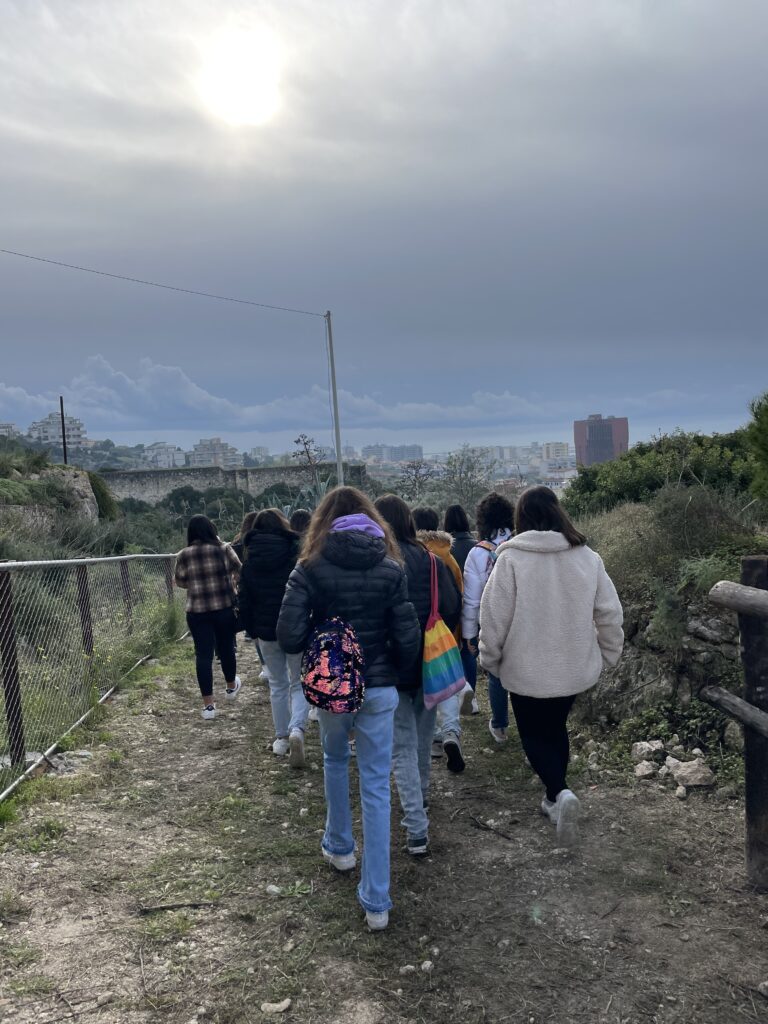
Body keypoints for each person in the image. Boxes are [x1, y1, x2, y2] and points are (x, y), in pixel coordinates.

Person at [277, 487, 420, 930]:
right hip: (378, 689)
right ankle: (377, 901)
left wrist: (322, 643)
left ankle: (340, 847)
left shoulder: (309, 569)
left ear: (324, 524)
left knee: (336, 760)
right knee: (377, 785)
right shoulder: (391, 570)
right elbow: (409, 636)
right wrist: (389, 671)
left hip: (333, 687)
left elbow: (288, 635)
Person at [479, 486, 623, 845]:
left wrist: (489, 658)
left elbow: (493, 616)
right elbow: (608, 612)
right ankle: (553, 797)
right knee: (556, 729)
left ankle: (559, 792)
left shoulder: (510, 560)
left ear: (521, 518)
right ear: (559, 512)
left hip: (524, 668)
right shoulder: (587, 557)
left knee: (532, 734)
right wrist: (609, 653)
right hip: (573, 667)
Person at [376, 496, 461, 854]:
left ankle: (416, 828)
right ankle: (422, 800)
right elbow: (453, 606)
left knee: (401, 748)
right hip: (429, 661)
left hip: (391, 664)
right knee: (424, 740)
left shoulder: (380, 562)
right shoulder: (430, 559)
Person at [238, 509, 307, 765]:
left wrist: (251, 630)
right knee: (298, 683)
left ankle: (281, 738)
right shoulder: (294, 554)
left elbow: (244, 600)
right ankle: (297, 728)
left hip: (265, 631)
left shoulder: (250, 561)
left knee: (277, 684)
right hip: (295, 628)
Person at [410, 505, 467, 771]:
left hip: (414, 633)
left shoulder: (410, 555)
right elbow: (458, 597)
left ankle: (432, 738)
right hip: (443, 632)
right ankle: (451, 732)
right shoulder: (448, 557)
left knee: (424, 687)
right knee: (445, 683)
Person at [174, 514, 242, 720]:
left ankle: (209, 706)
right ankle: (231, 687)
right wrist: (230, 582)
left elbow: (180, 581)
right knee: (226, 647)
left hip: (197, 611)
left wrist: (197, 583)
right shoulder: (223, 549)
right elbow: (239, 567)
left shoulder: (184, 554)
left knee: (203, 655)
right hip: (223, 607)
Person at [461, 492, 515, 739]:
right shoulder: (519, 543)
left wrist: (469, 635)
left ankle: (500, 725)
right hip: (519, 619)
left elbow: (471, 600)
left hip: (491, 620)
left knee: (495, 672)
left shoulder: (478, 554)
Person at [444, 504, 479, 714]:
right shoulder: (477, 547)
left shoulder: (445, 549)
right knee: (469, 651)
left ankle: (453, 694)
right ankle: (472, 696)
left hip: (449, 607)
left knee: (449, 651)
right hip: (472, 607)